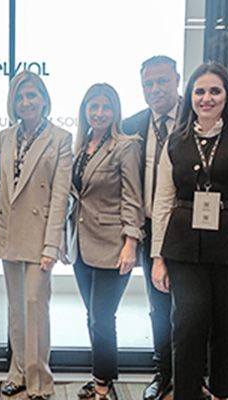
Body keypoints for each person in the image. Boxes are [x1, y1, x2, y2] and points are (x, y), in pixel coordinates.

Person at [151, 61, 228, 400]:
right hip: (183, 249)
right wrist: (158, 257)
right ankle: (187, 393)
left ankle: (220, 392)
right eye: (200, 91)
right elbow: (163, 202)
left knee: (226, 327)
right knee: (188, 324)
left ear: (227, 95)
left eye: (214, 91)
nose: (206, 98)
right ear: (190, 96)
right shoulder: (176, 140)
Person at [0, 71, 72, 400]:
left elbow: (60, 196)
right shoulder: (5, 136)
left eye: (32, 95)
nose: (26, 102)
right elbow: (2, 191)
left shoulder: (60, 138)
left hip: (40, 237)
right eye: (20, 97)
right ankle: (18, 372)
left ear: (43, 99)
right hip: (10, 233)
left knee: (35, 305)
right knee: (16, 309)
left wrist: (52, 244)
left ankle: (40, 381)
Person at [69, 83, 143, 400]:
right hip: (81, 245)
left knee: (102, 318)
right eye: (94, 107)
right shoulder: (80, 146)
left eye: (106, 107)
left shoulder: (126, 146)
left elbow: (133, 198)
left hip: (113, 245)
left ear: (115, 111)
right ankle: (102, 375)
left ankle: (102, 384)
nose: (99, 113)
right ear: (85, 110)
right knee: (93, 317)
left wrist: (131, 243)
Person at [121, 55, 181, 400]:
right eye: (149, 83)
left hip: (188, 227)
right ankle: (164, 374)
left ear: (177, 80)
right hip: (148, 227)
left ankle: (193, 375)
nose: (155, 89)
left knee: (191, 306)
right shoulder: (132, 125)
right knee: (159, 305)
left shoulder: (196, 116)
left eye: (162, 81)